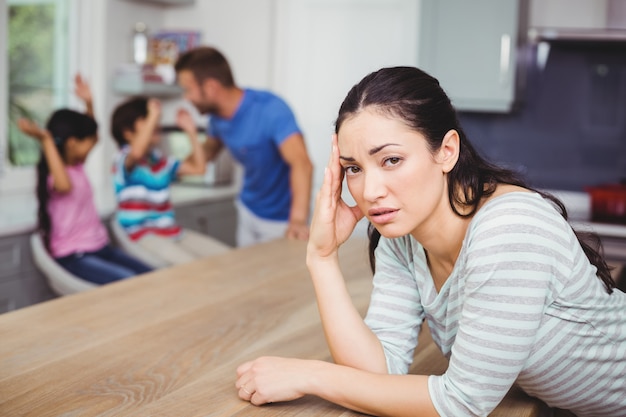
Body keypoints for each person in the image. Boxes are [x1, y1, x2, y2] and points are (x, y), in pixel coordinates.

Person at [234, 67, 626, 416]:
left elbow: (463, 403)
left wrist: (311, 375)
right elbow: (378, 372)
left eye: (391, 160)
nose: (369, 191)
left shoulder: (510, 228)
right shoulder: (403, 239)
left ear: (447, 151)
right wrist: (321, 257)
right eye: (353, 168)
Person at [19, 75, 153, 285]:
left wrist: (89, 103)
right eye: (88, 141)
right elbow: (64, 184)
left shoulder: (77, 165)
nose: (95, 143)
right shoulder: (57, 177)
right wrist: (45, 139)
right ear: (72, 143)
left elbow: (91, 133)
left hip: (100, 248)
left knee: (151, 276)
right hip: (74, 256)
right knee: (129, 283)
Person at [174, 46, 313, 247]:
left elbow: (302, 164)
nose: (185, 98)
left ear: (211, 87)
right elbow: (203, 158)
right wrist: (163, 163)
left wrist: (298, 220)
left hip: (282, 220)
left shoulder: (270, 110)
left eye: (188, 90)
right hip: (248, 210)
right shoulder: (217, 119)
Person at [111, 96, 230, 265]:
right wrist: (153, 112)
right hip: (143, 235)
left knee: (229, 257)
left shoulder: (159, 161)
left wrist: (191, 131)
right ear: (128, 133)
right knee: (196, 268)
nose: (156, 125)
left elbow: (199, 168)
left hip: (171, 232)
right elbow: (137, 153)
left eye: (156, 121)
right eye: (147, 121)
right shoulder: (122, 159)